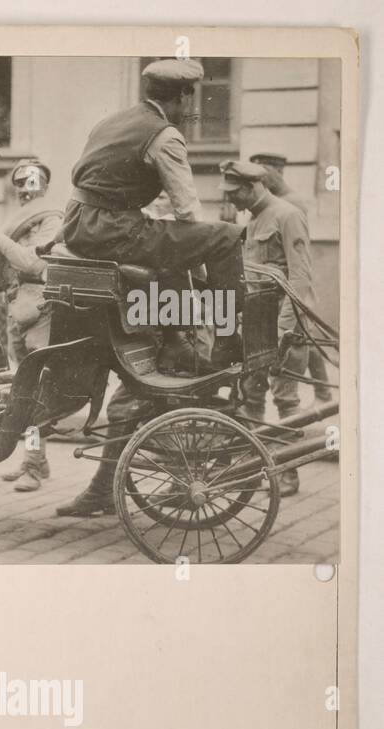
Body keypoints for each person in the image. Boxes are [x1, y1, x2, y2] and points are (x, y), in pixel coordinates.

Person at [55, 58, 246, 517]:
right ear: (182, 97)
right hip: (109, 229)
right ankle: (228, 337)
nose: (190, 106)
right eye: (189, 99)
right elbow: (186, 210)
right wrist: (204, 266)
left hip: (83, 223)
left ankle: (180, 333)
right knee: (222, 236)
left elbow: (93, 180)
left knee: (171, 246)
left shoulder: (115, 121)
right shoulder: (165, 136)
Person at [221, 160, 316, 496]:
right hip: (257, 323)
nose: (232, 201)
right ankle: (255, 472)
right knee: (252, 396)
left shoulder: (287, 215)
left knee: (286, 399)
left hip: (283, 322)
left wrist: (285, 328)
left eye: (236, 194)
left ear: (253, 186)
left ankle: (289, 474)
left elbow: (300, 276)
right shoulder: (252, 218)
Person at [0, 157, 62, 491]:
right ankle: (34, 460)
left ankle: (33, 466)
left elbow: (33, 260)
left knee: (35, 390)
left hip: (42, 306)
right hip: (18, 306)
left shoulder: (51, 220)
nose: (26, 192)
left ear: (44, 186)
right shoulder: (18, 221)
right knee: (23, 389)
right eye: (20, 185)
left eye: (32, 183)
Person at [250, 151, 331, 403]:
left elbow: (296, 254)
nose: (260, 182)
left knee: (302, 339)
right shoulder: (270, 202)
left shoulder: (291, 203)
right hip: (284, 282)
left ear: (277, 172)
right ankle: (324, 393)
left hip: (293, 281)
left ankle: (323, 393)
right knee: (306, 336)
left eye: (264, 174)